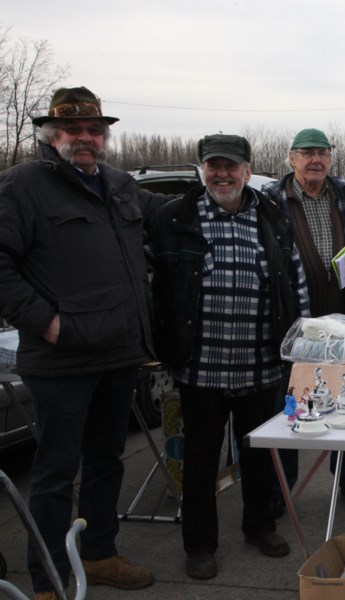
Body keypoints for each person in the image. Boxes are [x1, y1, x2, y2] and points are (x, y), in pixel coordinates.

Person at [0, 86, 163, 598]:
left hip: (117, 354)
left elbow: (166, 218)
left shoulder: (117, 184)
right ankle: (49, 577)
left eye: (94, 130)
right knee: (53, 473)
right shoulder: (22, 186)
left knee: (106, 461)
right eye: (74, 131)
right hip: (60, 359)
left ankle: (100, 553)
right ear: (52, 136)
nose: (85, 139)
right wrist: (47, 323)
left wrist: (235, 192)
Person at [145, 134, 310, 580]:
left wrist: (301, 340)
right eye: (213, 165)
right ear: (202, 170)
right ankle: (199, 545)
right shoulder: (174, 217)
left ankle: (259, 526)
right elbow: (153, 285)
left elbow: (295, 280)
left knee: (258, 453)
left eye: (230, 166)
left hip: (260, 364)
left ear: (247, 170)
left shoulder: (272, 215)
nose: (221, 174)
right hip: (200, 366)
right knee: (200, 459)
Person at [261, 128, 345, 504]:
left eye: (322, 153)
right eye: (307, 153)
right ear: (291, 158)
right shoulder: (269, 199)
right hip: (293, 320)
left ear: (330, 158)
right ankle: (281, 491)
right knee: (292, 403)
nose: (315, 160)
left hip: (344, 317)